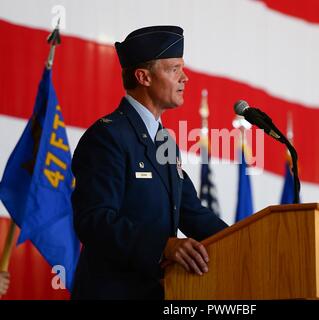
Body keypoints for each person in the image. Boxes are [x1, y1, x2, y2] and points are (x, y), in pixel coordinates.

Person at [71, 25, 228, 300]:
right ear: (143, 76)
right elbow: (94, 221)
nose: (185, 78)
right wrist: (162, 247)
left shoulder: (165, 142)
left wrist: (253, 239)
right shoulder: (108, 136)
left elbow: (192, 213)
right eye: (174, 69)